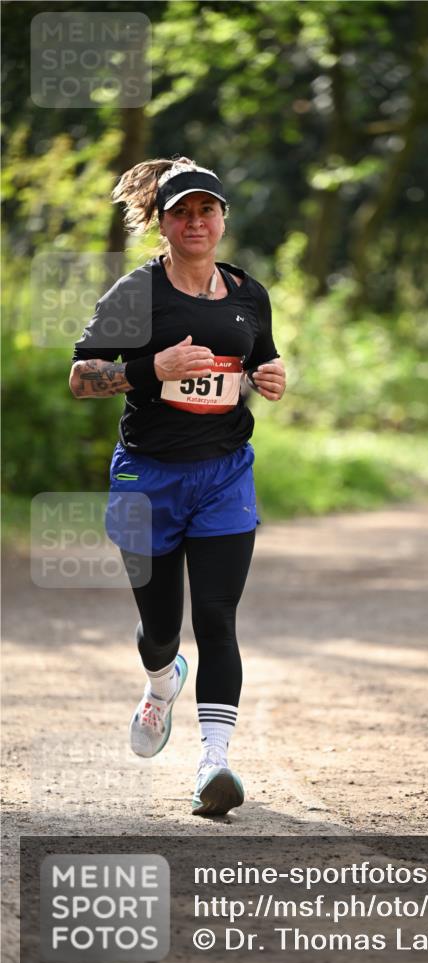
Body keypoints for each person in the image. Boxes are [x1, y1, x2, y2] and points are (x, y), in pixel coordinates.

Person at [69, 157, 286, 817]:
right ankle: (161, 680)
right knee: (161, 629)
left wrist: (269, 376)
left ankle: (213, 765)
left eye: (206, 210)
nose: (195, 222)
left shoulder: (248, 293)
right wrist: (148, 367)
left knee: (216, 619)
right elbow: (81, 379)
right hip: (147, 479)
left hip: (224, 474)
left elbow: (256, 360)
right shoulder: (137, 294)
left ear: (222, 217)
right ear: (162, 221)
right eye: (181, 212)